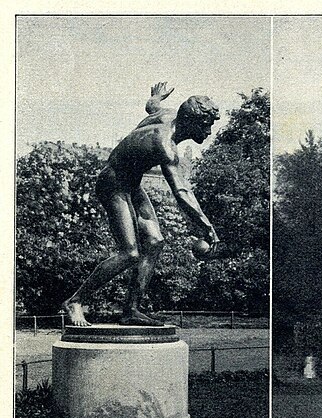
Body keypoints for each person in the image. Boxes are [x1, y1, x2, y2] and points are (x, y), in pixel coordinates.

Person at [63, 83, 221, 327]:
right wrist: (207, 227)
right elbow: (180, 191)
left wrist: (156, 97)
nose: (209, 131)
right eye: (206, 125)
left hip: (131, 185)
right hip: (113, 185)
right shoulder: (165, 145)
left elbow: (152, 107)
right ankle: (75, 301)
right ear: (190, 122)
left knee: (155, 242)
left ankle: (131, 310)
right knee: (130, 252)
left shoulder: (167, 115)